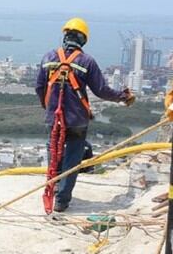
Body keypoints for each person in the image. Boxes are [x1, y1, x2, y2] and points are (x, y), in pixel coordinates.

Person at [35, 18, 135, 212]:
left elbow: (39, 87)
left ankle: (53, 190)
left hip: (54, 118)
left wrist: (47, 106)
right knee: (72, 157)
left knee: (54, 153)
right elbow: (101, 90)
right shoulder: (87, 61)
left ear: (65, 36)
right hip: (76, 120)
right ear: (83, 39)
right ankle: (62, 201)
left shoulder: (48, 57)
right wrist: (123, 97)